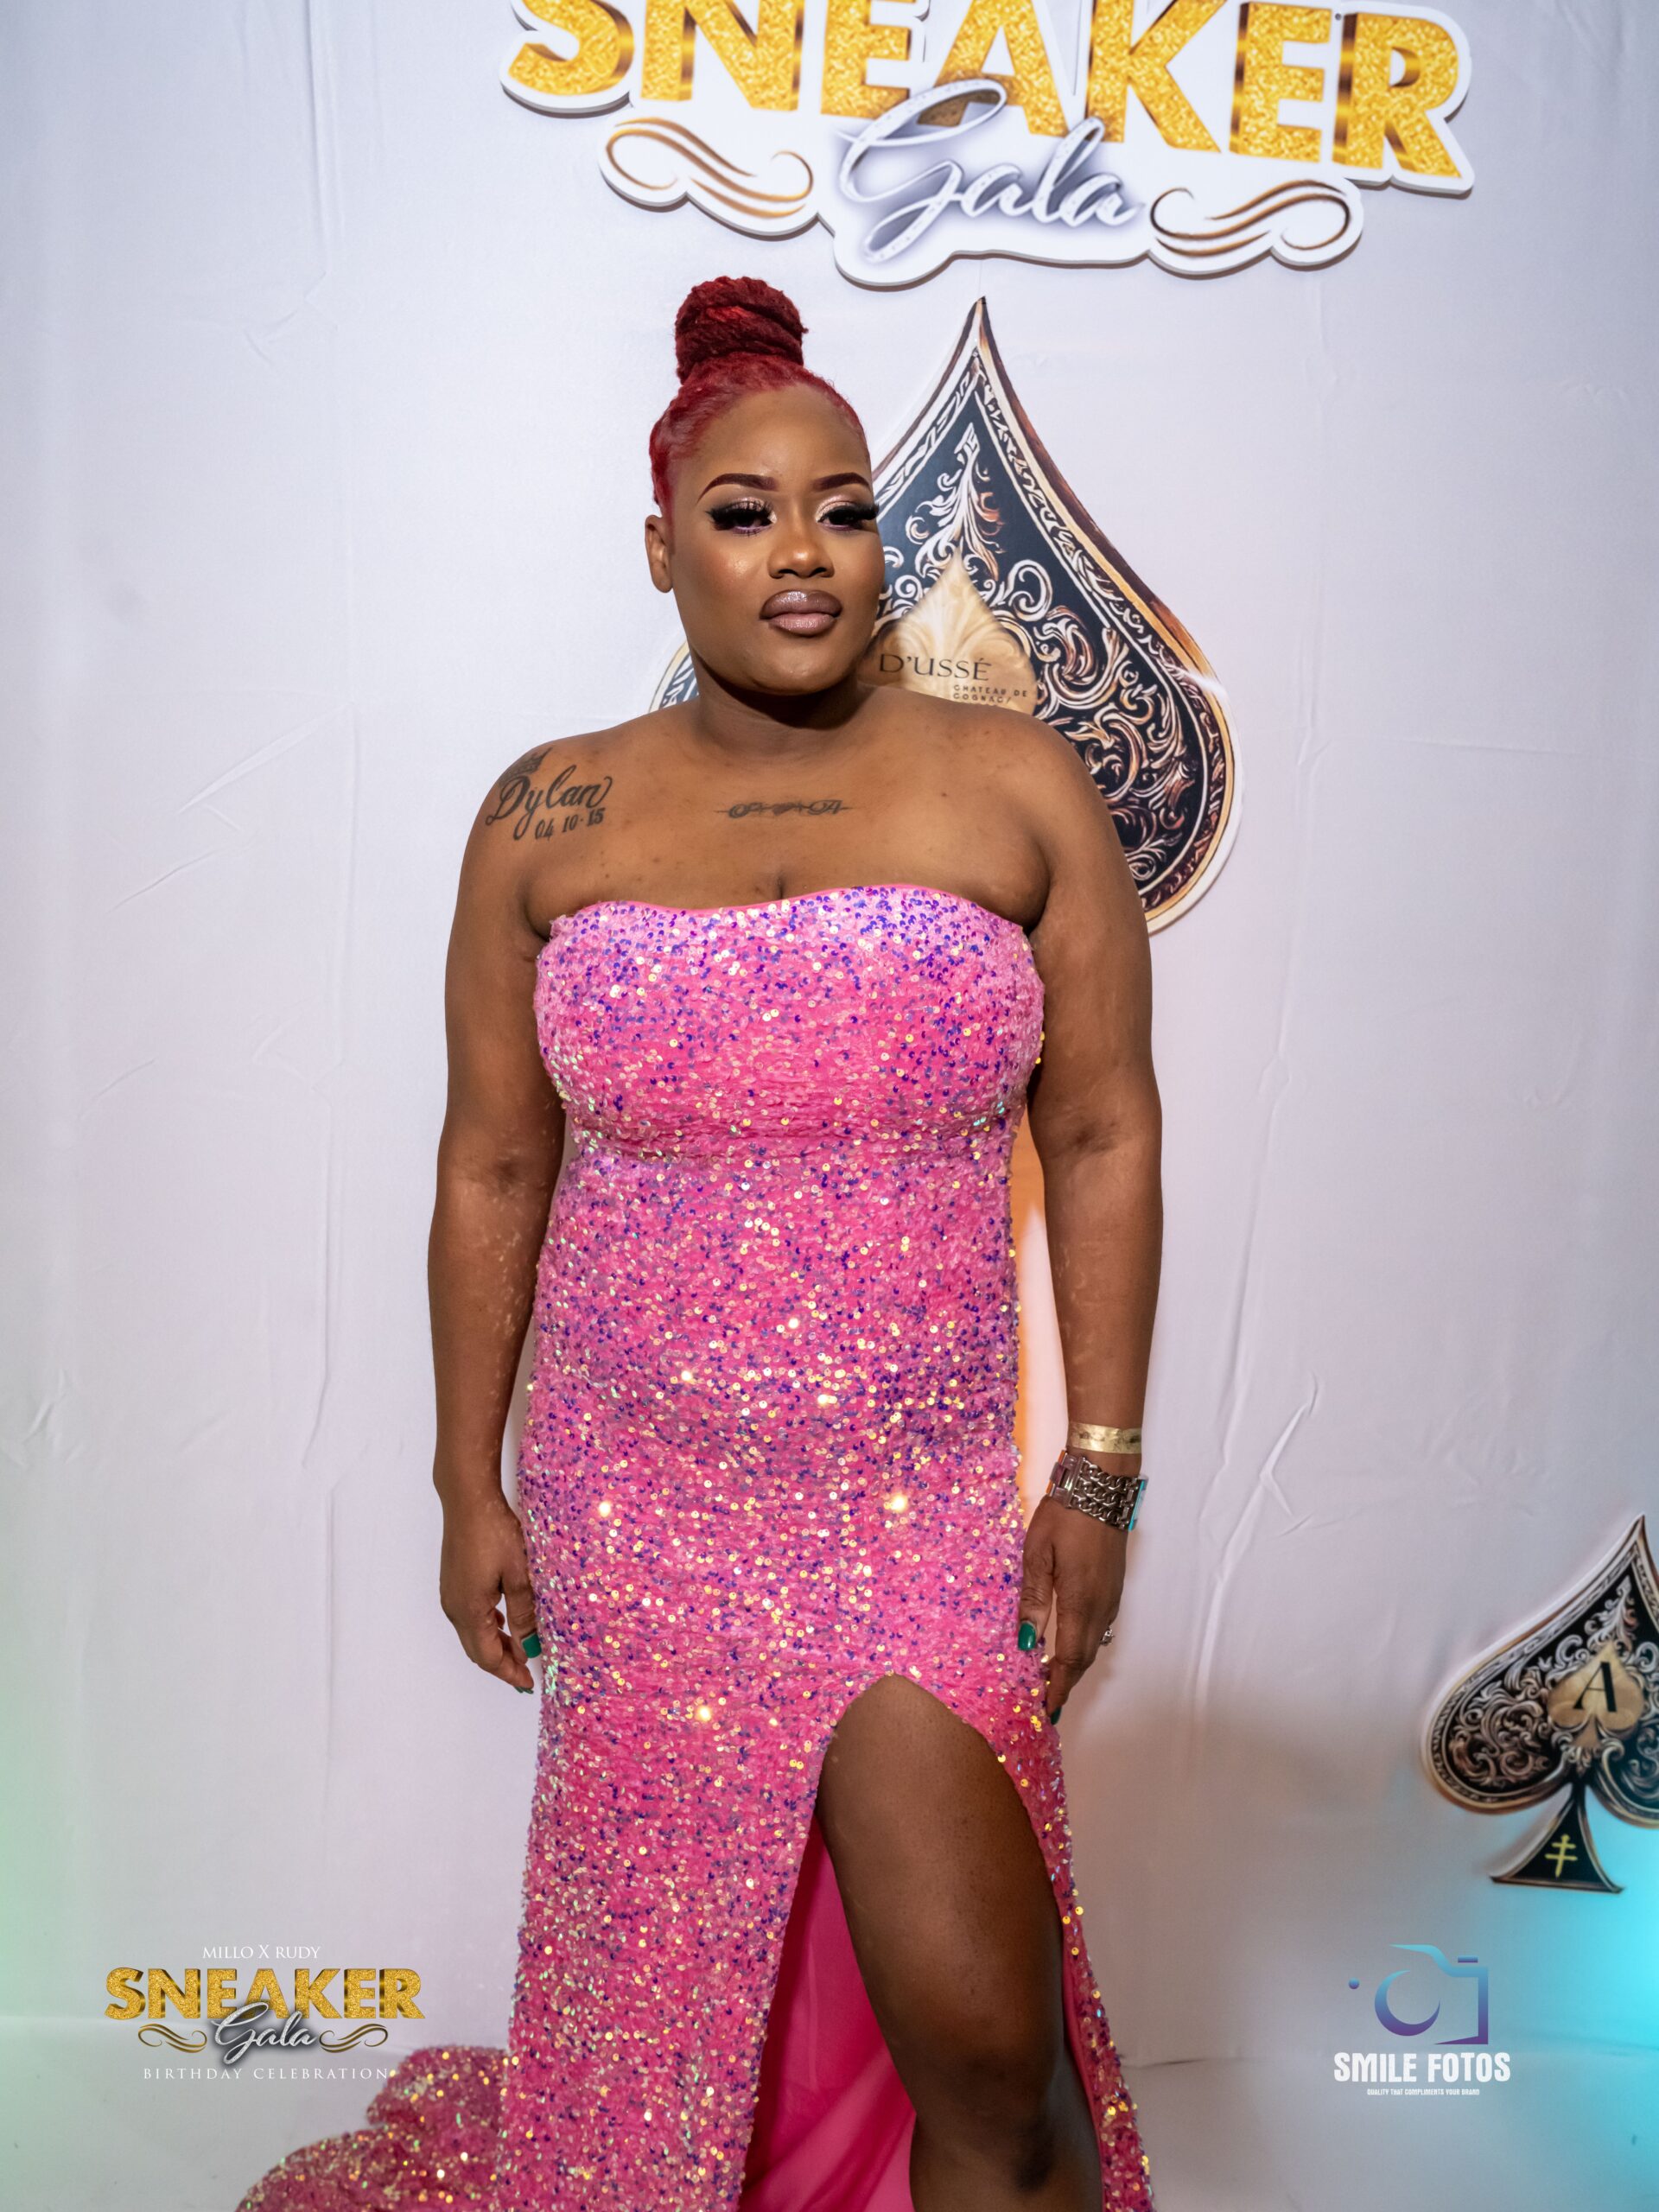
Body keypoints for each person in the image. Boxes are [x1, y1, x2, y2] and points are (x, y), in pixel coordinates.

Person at [238, 275, 1161, 2212]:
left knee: (991, 2053)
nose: (801, 551)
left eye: (843, 508)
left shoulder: (1013, 787)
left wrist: (1097, 1468)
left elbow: (1097, 1129)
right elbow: (494, 1165)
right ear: (662, 548)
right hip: (640, 1513)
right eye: (745, 514)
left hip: (914, 1515)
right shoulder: (546, 812)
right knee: (656, 2045)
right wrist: (464, 1480)